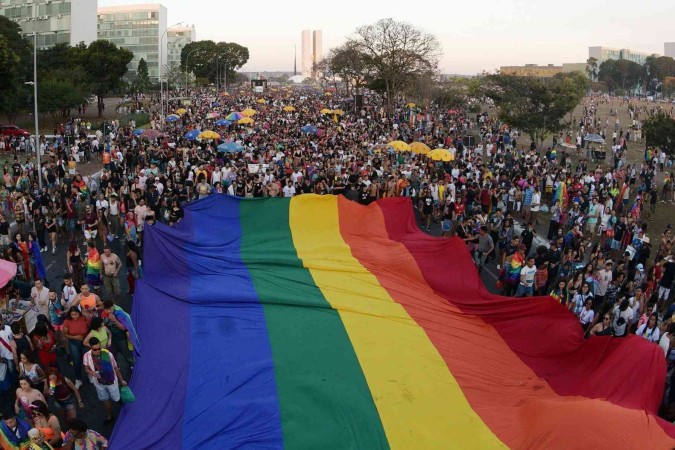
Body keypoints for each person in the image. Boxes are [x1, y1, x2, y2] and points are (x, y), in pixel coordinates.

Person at [82, 338, 127, 425]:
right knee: (105, 400)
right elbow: (86, 368)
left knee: (116, 398)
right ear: (90, 347)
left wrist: (121, 380)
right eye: (95, 349)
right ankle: (109, 416)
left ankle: (119, 400)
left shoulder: (108, 354)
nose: (98, 350)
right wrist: (92, 373)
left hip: (111, 382)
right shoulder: (86, 356)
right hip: (99, 383)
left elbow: (115, 367)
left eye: (99, 348)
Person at [62, 308, 90, 389]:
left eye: (76, 314)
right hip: (74, 343)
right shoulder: (67, 322)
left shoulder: (84, 318)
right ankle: (78, 379)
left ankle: (90, 374)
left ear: (79, 313)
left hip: (85, 341)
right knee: (76, 361)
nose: (74, 316)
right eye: (72, 315)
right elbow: (65, 334)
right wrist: (75, 337)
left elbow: (90, 328)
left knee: (87, 359)